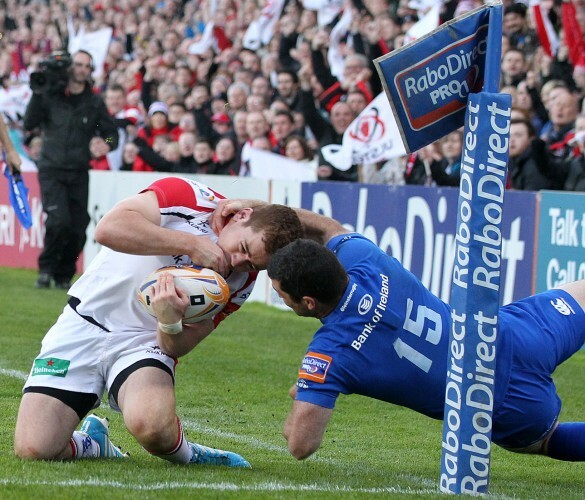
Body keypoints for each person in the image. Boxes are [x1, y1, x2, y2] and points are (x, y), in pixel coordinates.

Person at [215, 201, 585, 463]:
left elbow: (300, 445)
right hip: (512, 335)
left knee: (545, 441)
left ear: (307, 302)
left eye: (281, 294)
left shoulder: (330, 352)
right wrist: (263, 207)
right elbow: (328, 228)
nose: (281, 299)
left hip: (502, 404)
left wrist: (311, 391)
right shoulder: (364, 258)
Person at [14, 177, 303, 467]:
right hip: (83, 322)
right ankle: (93, 443)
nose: (238, 261)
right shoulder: (190, 197)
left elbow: (178, 345)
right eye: (243, 247)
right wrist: (191, 244)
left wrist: (169, 321)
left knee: (152, 427)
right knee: (35, 447)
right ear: (241, 216)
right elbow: (108, 229)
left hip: (143, 342)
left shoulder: (241, 280)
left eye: (253, 264)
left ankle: (190, 455)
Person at [23, 50, 119, 289]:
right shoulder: (50, 95)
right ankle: (46, 270)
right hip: (51, 168)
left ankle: (64, 275)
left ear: (90, 71)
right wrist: (38, 92)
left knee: (78, 227)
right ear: (69, 67)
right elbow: (29, 123)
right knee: (58, 221)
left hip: (78, 170)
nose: (81, 69)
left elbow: (111, 135)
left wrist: (103, 145)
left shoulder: (94, 102)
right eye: (77, 64)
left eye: (86, 66)